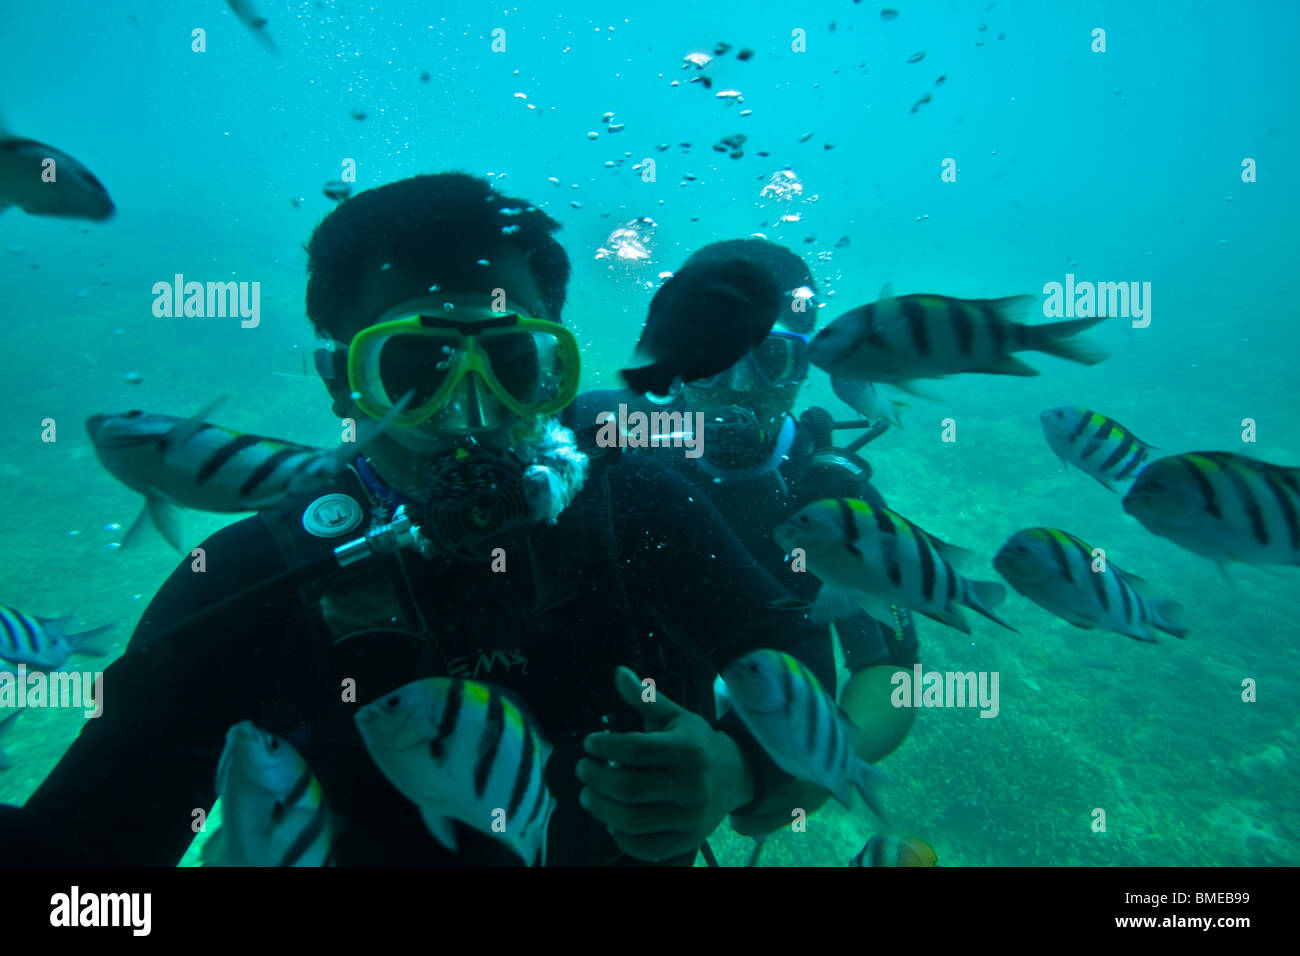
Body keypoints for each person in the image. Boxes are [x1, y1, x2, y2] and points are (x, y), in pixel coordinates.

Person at [0, 174, 837, 867]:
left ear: (553, 369)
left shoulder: (635, 501)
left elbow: (791, 651)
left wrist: (734, 770)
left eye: (512, 363)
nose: (471, 413)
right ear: (341, 384)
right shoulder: (257, 579)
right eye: (415, 367)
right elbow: (82, 853)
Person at [569, 239, 920, 836]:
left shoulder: (836, 503)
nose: (737, 384)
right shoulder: (596, 435)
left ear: (806, 368)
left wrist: (800, 773)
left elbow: (891, 668)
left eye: (772, 359)